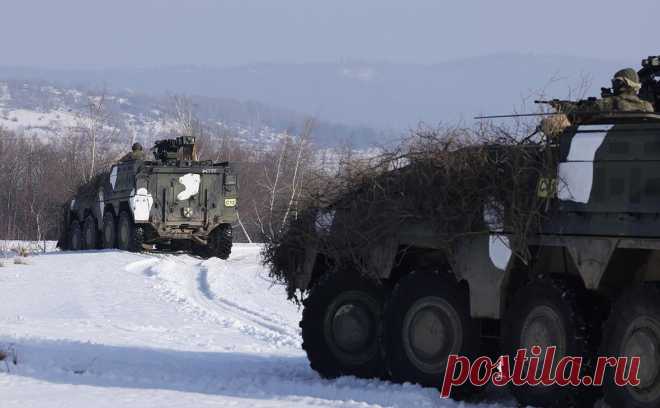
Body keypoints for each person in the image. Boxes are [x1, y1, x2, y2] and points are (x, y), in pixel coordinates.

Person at [554, 68, 654, 114]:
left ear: (622, 84)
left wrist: (561, 106)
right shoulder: (647, 106)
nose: (613, 85)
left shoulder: (609, 103)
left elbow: (578, 112)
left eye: (615, 82)